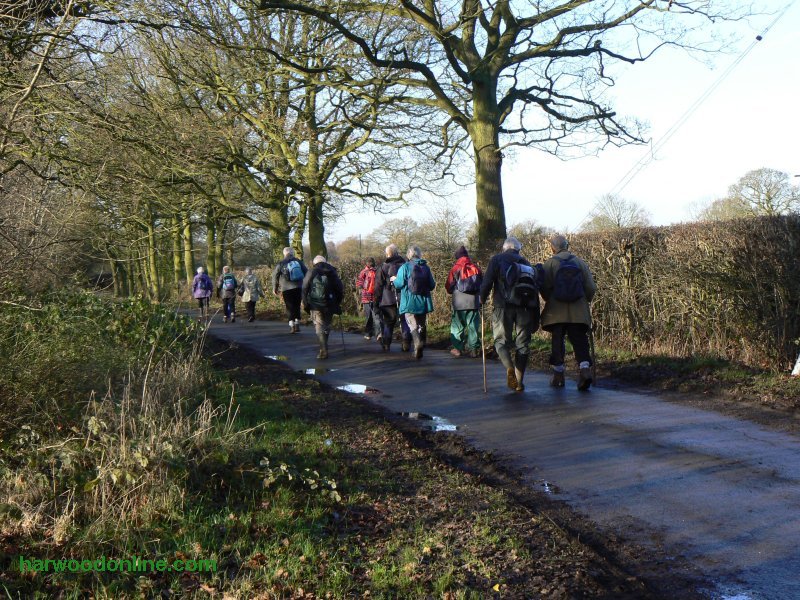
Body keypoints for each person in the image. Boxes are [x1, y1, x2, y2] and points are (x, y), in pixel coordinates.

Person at [479, 237, 540, 392]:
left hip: (502, 306)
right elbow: (535, 289)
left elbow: (487, 282)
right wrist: (536, 316)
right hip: (525, 308)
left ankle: (509, 368)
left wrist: (481, 299)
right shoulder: (526, 263)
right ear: (518, 249)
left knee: (500, 341)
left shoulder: (497, 260)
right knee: (523, 344)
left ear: (504, 248)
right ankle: (519, 382)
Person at [540, 234, 597, 390]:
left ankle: (558, 376)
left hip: (556, 312)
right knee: (580, 341)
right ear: (567, 246)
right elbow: (591, 288)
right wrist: (585, 300)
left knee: (557, 342)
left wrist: (550, 299)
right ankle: (585, 370)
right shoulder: (580, 263)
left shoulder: (549, 264)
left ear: (553, 248)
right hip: (578, 310)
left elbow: (544, 288)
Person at [392, 245, 436, 360]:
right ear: (419, 254)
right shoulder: (426, 267)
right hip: (423, 302)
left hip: (409, 302)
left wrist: (394, 280)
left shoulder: (405, 267)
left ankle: (417, 343)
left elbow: (399, 284)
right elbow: (432, 285)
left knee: (412, 323)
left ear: (409, 255)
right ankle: (422, 342)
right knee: (421, 323)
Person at [302, 255, 344, 359]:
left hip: (315, 304)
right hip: (330, 304)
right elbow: (339, 288)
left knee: (319, 325)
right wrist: (337, 302)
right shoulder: (332, 271)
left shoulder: (311, 271)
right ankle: (324, 345)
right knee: (327, 325)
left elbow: (304, 288)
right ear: (325, 261)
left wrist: (306, 304)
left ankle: (323, 349)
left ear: (314, 263)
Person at [373, 244, 412, 352]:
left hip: (387, 299)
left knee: (388, 322)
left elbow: (378, 286)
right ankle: (406, 342)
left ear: (387, 254)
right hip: (404, 298)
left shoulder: (383, 267)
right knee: (405, 321)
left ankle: (386, 344)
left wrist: (376, 301)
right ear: (397, 253)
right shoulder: (405, 265)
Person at [445, 246, 482, 358]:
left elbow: (448, 287)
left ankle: (457, 349)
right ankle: (473, 349)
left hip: (459, 302)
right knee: (473, 326)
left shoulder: (455, 268)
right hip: (473, 302)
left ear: (457, 256)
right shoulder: (475, 268)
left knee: (457, 326)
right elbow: (482, 285)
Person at [272, 247, 308, 333]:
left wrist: (275, 288)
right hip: (298, 286)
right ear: (293, 253)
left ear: (284, 253)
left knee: (289, 306)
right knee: (297, 305)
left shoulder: (281, 263)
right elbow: (307, 272)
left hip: (286, 288)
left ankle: (291, 325)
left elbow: (275, 276)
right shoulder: (298, 261)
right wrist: (306, 286)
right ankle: (297, 323)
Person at [356, 257, 381, 340]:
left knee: (368, 317)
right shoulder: (377, 271)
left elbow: (359, 284)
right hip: (376, 297)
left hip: (366, 298)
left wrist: (362, 289)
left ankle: (368, 334)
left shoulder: (363, 272)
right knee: (376, 316)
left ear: (366, 263)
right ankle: (378, 334)